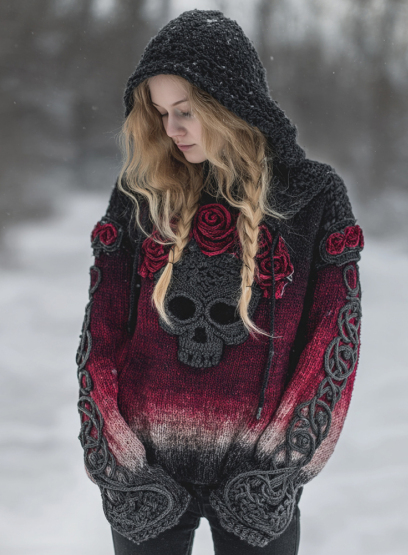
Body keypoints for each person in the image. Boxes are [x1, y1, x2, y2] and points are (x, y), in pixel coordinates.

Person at [76, 9, 364, 555]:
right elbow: (101, 333)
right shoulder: (142, 195)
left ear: (231, 104)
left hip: (258, 480)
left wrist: (277, 469)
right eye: (161, 113)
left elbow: (333, 342)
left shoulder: (313, 198)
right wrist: (120, 462)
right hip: (145, 475)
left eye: (185, 111)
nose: (171, 130)